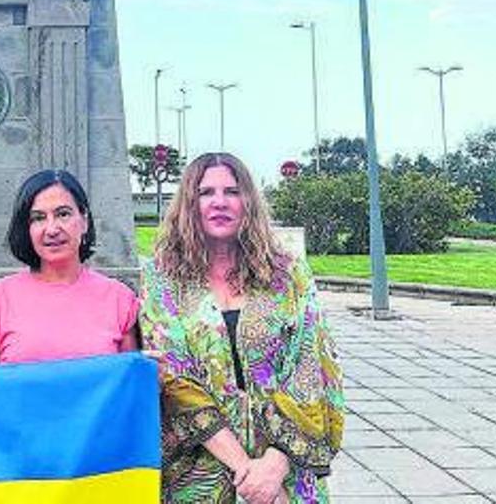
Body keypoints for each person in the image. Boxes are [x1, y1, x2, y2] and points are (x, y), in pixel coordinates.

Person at [140, 152, 344, 503]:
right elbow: (175, 380)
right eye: (206, 192)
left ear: (248, 201)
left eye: (232, 191)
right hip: (198, 477)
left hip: (285, 473)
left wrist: (275, 467)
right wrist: (247, 472)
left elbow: (312, 366)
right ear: (189, 203)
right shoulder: (162, 279)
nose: (219, 202)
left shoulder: (288, 274)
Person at [0, 168, 138, 365]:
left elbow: (131, 380)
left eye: (63, 214)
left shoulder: (119, 299)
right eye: (38, 218)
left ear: (84, 221)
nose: (52, 229)